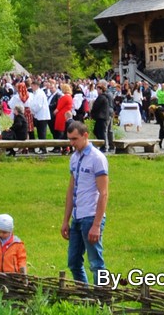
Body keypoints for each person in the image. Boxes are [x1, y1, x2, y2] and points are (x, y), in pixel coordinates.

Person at [62, 121, 108, 286]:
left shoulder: (97, 158)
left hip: (91, 215)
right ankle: (85, 297)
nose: (72, 143)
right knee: (73, 261)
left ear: (85, 135)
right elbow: (70, 190)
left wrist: (96, 225)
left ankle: (102, 298)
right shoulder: (74, 158)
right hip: (77, 216)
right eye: (70, 139)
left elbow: (103, 193)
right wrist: (65, 220)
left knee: (96, 263)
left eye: (75, 139)